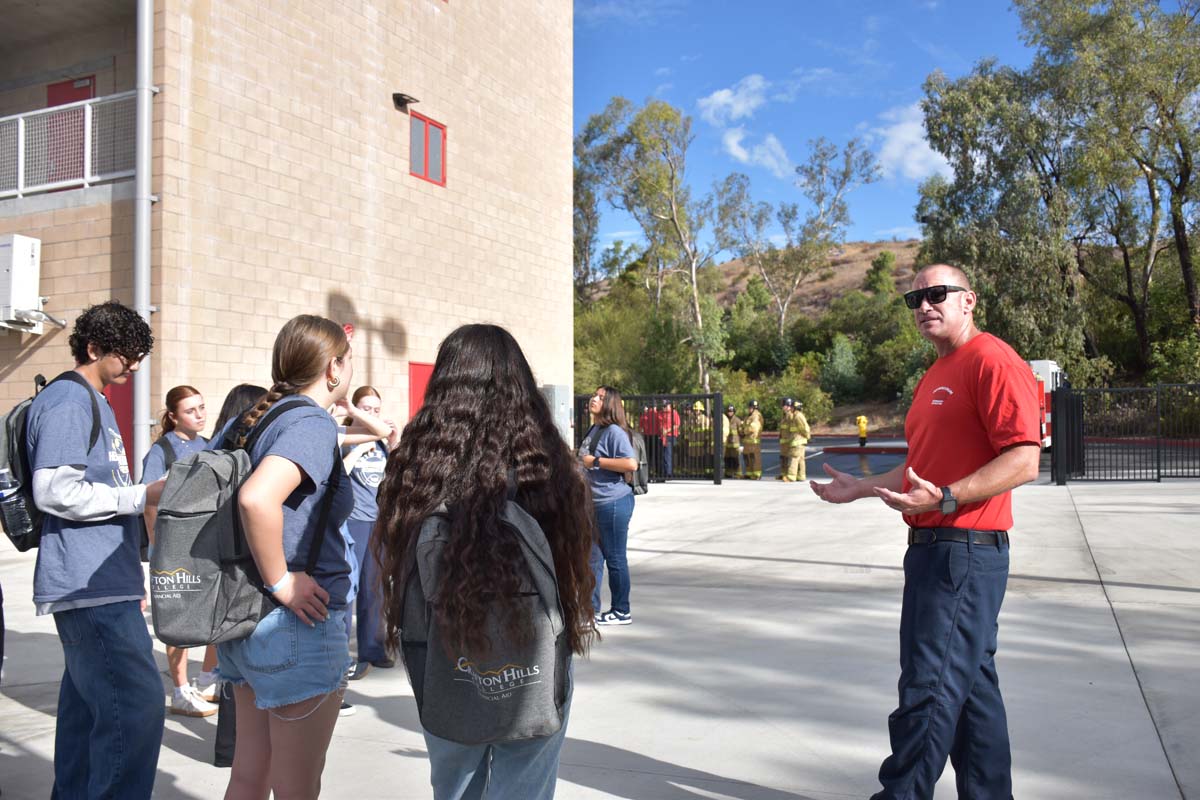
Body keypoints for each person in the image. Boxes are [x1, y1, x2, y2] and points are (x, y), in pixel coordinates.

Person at [810, 264, 1041, 800]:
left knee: (929, 690)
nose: (924, 305)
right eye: (914, 298)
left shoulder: (991, 360)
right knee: (972, 694)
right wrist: (861, 487)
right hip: (935, 552)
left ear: (969, 300)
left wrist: (948, 497)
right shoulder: (936, 373)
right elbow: (921, 468)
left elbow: (1024, 459)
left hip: (963, 553)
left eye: (937, 294)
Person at [374, 324, 598, 799]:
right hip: (534, 662)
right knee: (526, 786)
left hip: (442, 657)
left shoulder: (414, 469)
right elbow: (571, 566)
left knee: (455, 786)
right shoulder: (549, 467)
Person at [25, 301, 165, 798]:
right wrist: (141, 496)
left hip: (103, 582)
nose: (134, 367)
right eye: (126, 356)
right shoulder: (69, 400)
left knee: (87, 718)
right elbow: (53, 490)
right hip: (88, 585)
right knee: (137, 710)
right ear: (93, 348)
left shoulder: (94, 400)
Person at [214, 315, 357, 800]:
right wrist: (282, 581)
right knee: (297, 787)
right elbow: (257, 498)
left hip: (242, 618)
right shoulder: (311, 422)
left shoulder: (251, 419)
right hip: (295, 625)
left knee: (248, 777)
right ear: (333, 368)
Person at [142, 384, 219, 718]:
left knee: (216, 613)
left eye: (201, 407)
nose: (199, 415)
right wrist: (158, 546)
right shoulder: (161, 451)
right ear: (173, 416)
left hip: (207, 545)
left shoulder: (211, 445)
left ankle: (209, 679)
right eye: (190, 410)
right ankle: (180, 690)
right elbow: (149, 500)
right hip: (174, 549)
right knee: (180, 620)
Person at [206, 383, 269, 770]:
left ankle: (228, 749)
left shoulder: (215, 451)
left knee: (232, 663)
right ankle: (242, 749)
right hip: (247, 566)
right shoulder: (250, 456)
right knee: (249, 665)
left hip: (218, 566)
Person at [341, 385, 399, 682]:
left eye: (376, 409)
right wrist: (358, 451)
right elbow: (336, 474)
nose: (372, 414)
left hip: (377, 521)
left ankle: (372, 649)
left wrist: (393, 440)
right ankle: (341, 656)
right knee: (347, 589)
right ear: (354, 409)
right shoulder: (346, 436)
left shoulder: (380, 442)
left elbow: (397, 475)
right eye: (366, 408)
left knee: (374, 588)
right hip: (353, 521)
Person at [579, 386, 639, 626]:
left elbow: (630, 464)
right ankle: (590, 612)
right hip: (594, 503)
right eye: (594, 395)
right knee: (592, 558)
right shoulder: (595, 429)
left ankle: (621, 610)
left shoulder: (614, 431)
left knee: (615, 558)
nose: (594, 399)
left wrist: (595, 461)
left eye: (601, 397)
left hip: (613, 503)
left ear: (610, 404)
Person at [786, 399, 811, 483]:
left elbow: (805, 428)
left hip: (797, 441)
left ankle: (791, 476)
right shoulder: (795, 415)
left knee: (794, 458)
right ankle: (801, 476)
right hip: (798, 441)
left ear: (795, 408)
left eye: (792, 407)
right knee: (800, 459)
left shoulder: (798, 416)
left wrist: (807, 436)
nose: (790, 408)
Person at [739, 400, 763, 480]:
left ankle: (756, 474)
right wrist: (741, 430)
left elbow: (753, 427)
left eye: (750, 408)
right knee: (747, 458)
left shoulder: (757, 416)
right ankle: (749, 473)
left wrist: (744, 431)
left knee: (754, 458)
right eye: (749, 408)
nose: (749, 409)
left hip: (753, 442)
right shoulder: (748, 416)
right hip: (747, 442)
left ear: (754, 408)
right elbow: (743, 425)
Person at [659, 400, 680, 480]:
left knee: (668, 454)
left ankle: (668, 473)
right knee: (663, 455)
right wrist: (662, 429)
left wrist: (667, 430)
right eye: (663, 406)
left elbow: (677, 424)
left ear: (669, 405)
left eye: (665, 406)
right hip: (663, 436)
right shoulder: (661, 413)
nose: (663, 407)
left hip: (670, 436)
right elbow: (660, 424)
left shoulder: (674, 413)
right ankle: (664, 472)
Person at [777, 398, 795, 481]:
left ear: (788, 406)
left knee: (788, 459)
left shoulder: (791, 416)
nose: (782, 407)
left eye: (784, 405)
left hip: (788, 441)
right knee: (783, 458)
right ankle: (783, 474)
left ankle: (788, 474)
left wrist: (791, 439)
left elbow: (792, 429)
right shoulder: (784, 416)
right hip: (783, 442)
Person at [723, 404, 742, 478]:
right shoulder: (725, 420)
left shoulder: (737, 420)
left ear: (734, 412)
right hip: (727, 444)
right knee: (727, 459)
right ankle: (728, 473)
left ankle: (738, 473)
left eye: (731, 411)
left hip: (735, 444)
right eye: (728, 411)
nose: (730, 413)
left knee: (736, 459)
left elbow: (740, 432)